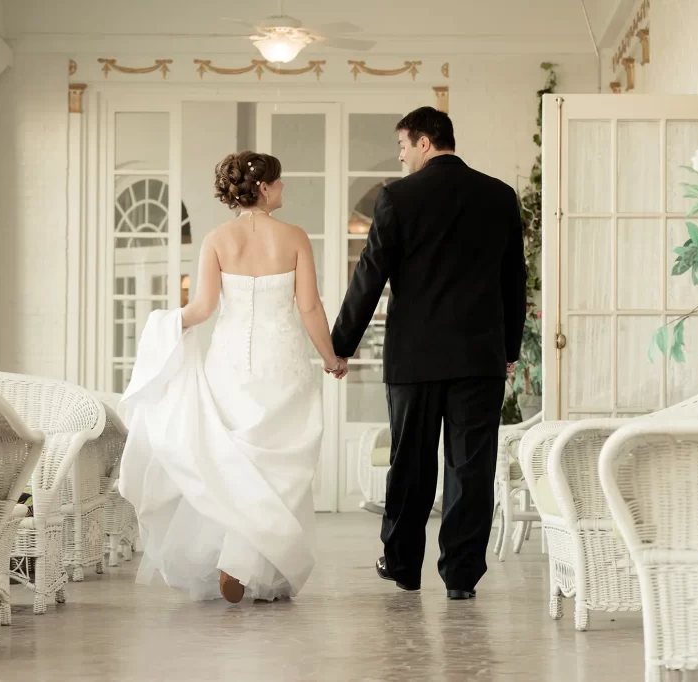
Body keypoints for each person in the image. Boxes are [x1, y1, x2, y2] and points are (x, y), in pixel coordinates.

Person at [118, 151, 345, 605]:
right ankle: (245, 560)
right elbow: (309, 308)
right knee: (279, 467)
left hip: (229, 363)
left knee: (233, 463)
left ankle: (235, 556)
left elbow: (202, 310)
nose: (284, 189)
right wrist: (331, 356)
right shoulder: (295, 237)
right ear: (263, 187)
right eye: (279, 183)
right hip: (281, 362)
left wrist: (162, 325)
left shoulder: (217, 239)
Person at [330, 106, 526, 600]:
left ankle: (402, 566)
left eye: (402, 147)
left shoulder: (398, 197)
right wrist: (508, 348)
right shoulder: (499, 196)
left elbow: (369, 274)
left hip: (414, 359)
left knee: (411, 464)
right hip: (478, 358)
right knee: (470, 468)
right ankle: (461, 577)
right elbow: (514, 282)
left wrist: (340, 345)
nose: (400, 158)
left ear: (423, 142)